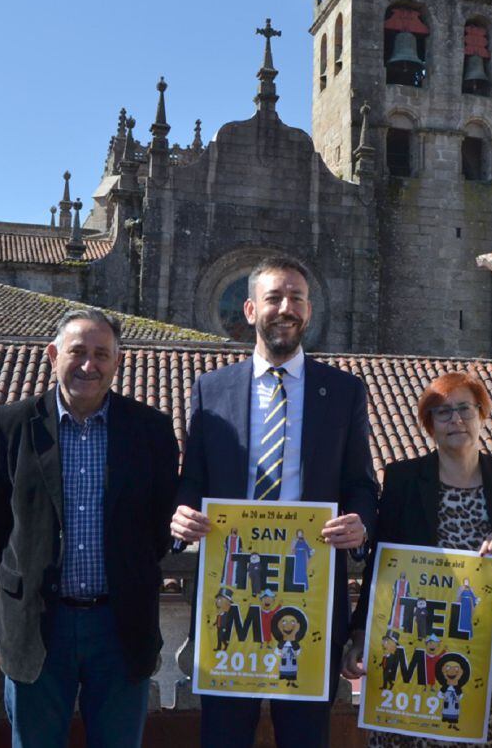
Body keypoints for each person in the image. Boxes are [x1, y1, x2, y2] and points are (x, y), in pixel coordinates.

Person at [171, 255, 378, 748]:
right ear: (249, 309)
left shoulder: (345, 392)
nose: (286, 308)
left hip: (311, 595)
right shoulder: (211, 390)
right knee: (224, 736)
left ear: (308, 311)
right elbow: (192, 479)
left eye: (297, 299)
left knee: (305, 737)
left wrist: (361, 525)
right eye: (274, 298)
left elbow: (362, 484)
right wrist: (179, 516)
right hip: (229, 598)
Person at [0, 308, 179, 748]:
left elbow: (161, 524)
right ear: (53, 355)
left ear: (117, 362)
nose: (89, 365)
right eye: (77, 352)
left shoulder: (152, 430)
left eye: (101, 354)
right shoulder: (10, 425)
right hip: (36, 625)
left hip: (120, 625)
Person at [342, 370, 492, 748]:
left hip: (490, 651)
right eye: (443, 413)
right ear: (429, 424)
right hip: (416, 648)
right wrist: (359, 635)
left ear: (482, 414)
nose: (456, 420)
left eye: (465, 408)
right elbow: (381, 566)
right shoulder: (401, 479)